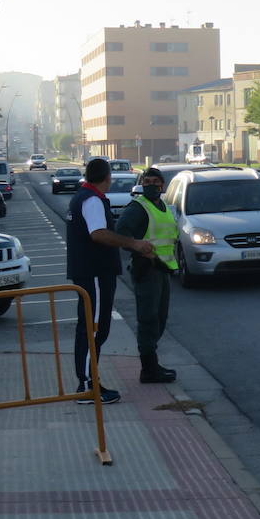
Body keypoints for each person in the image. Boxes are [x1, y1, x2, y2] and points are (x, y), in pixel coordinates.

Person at [66, 157, 154, 405]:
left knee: (93, 328)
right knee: (93, 329)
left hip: (91, 271)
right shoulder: (92, 200)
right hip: (94, 272)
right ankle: (86, 386)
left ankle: (90, 381)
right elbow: (99, 234)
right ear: (107, 177)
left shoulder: (83, 197)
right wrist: (134, 244)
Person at [114, 167, 178, 383]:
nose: (151, 185)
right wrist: (140, 249)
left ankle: (152, 364)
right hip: (147, 268)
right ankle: (148, 370)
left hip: (162, 269)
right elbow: (121, 230)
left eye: (155, 181)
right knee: (149, 319)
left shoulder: (162, 207)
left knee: (160, 319)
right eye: (147, 181)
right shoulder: (138, 207)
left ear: (162, 185)